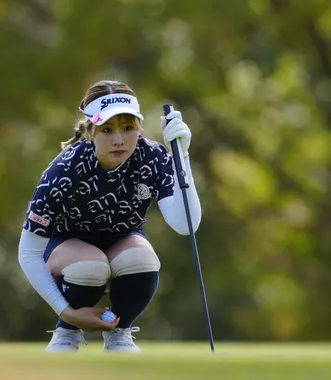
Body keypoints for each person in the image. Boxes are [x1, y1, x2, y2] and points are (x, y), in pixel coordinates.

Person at [17, 80, 201, 353]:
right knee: (91, 266)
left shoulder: (152, 157)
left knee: (142, 260)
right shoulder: (64, 170)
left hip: (122, 239)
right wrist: (67, 313)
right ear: (90, 131)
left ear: (138, 127)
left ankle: (119, 334)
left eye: (128, 128)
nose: (119, 140)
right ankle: (66, 333)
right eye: (107, 129)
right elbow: (28, 254)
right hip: (66, 247)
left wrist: (181, 156)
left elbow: (186, 224)